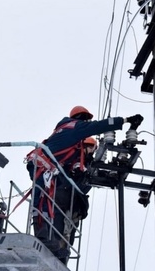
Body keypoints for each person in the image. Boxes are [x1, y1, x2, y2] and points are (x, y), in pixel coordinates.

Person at [26, 106, 143, 262]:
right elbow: (99, 126)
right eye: (87, 119)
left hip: (46, 167)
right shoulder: (74, 128)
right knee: (43, 199)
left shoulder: (67, 137)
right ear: (81, 117)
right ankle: (43, 238)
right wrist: (126, 120)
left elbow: (68, 170)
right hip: (43, 166)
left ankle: (49, 241)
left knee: (44, 199)